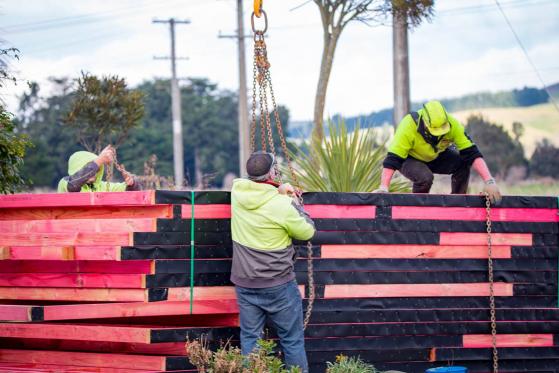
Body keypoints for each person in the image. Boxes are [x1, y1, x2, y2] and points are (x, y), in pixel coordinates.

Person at [230, 151, 315, 372]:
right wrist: (293, 200)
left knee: (251, 341)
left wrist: (278, 190)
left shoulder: (236, 193)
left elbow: (258, 193)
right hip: (278, 284)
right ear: (272, 173)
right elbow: (307, 232)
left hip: (245, 283)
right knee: (292, 340)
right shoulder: (282, 205)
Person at [375, 100, 502, 204]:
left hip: (435, 156)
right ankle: (417, 208)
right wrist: (383, 188)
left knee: (463, 162)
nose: (439, 135)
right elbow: (393, 159)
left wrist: (489, 181)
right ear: (425, 123)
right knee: (425, 177)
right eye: (435, 132)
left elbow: (472, 153)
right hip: (409, 159)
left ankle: (457, 203)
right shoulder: (408, 125)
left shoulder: (453, 125)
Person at [57, 145, 140, 192]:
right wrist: (99, 160)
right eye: (92, 167)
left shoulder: (102, 186)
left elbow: (129, 190)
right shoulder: (65, 183)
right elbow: (73, 185)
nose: (95, 171)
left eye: (97, 169)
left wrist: (132, 184)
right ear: (77, 168)